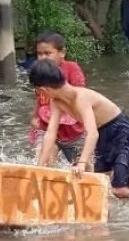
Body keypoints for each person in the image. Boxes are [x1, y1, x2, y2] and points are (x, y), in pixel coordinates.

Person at [29, 59, 129, 198]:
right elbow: (50, 134)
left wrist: (82, 163)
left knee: (120, 190)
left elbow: (92, 134)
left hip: (121, 131)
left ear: (43, 89)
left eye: (37, 91)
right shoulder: (56, 102)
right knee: (103, 187)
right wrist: (40, 167)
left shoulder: (80, 97)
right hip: (103, 134)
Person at [28, 31, 87, 166]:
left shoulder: (72, 68)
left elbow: (80, 94)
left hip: (73, 131)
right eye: (39, 54)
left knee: (83, 166)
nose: (42, 58)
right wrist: (35, 116)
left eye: (48, 53)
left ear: (62, 52)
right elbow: (39, 98)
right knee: (44, 159)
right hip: (46, 126)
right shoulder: (39, 72)